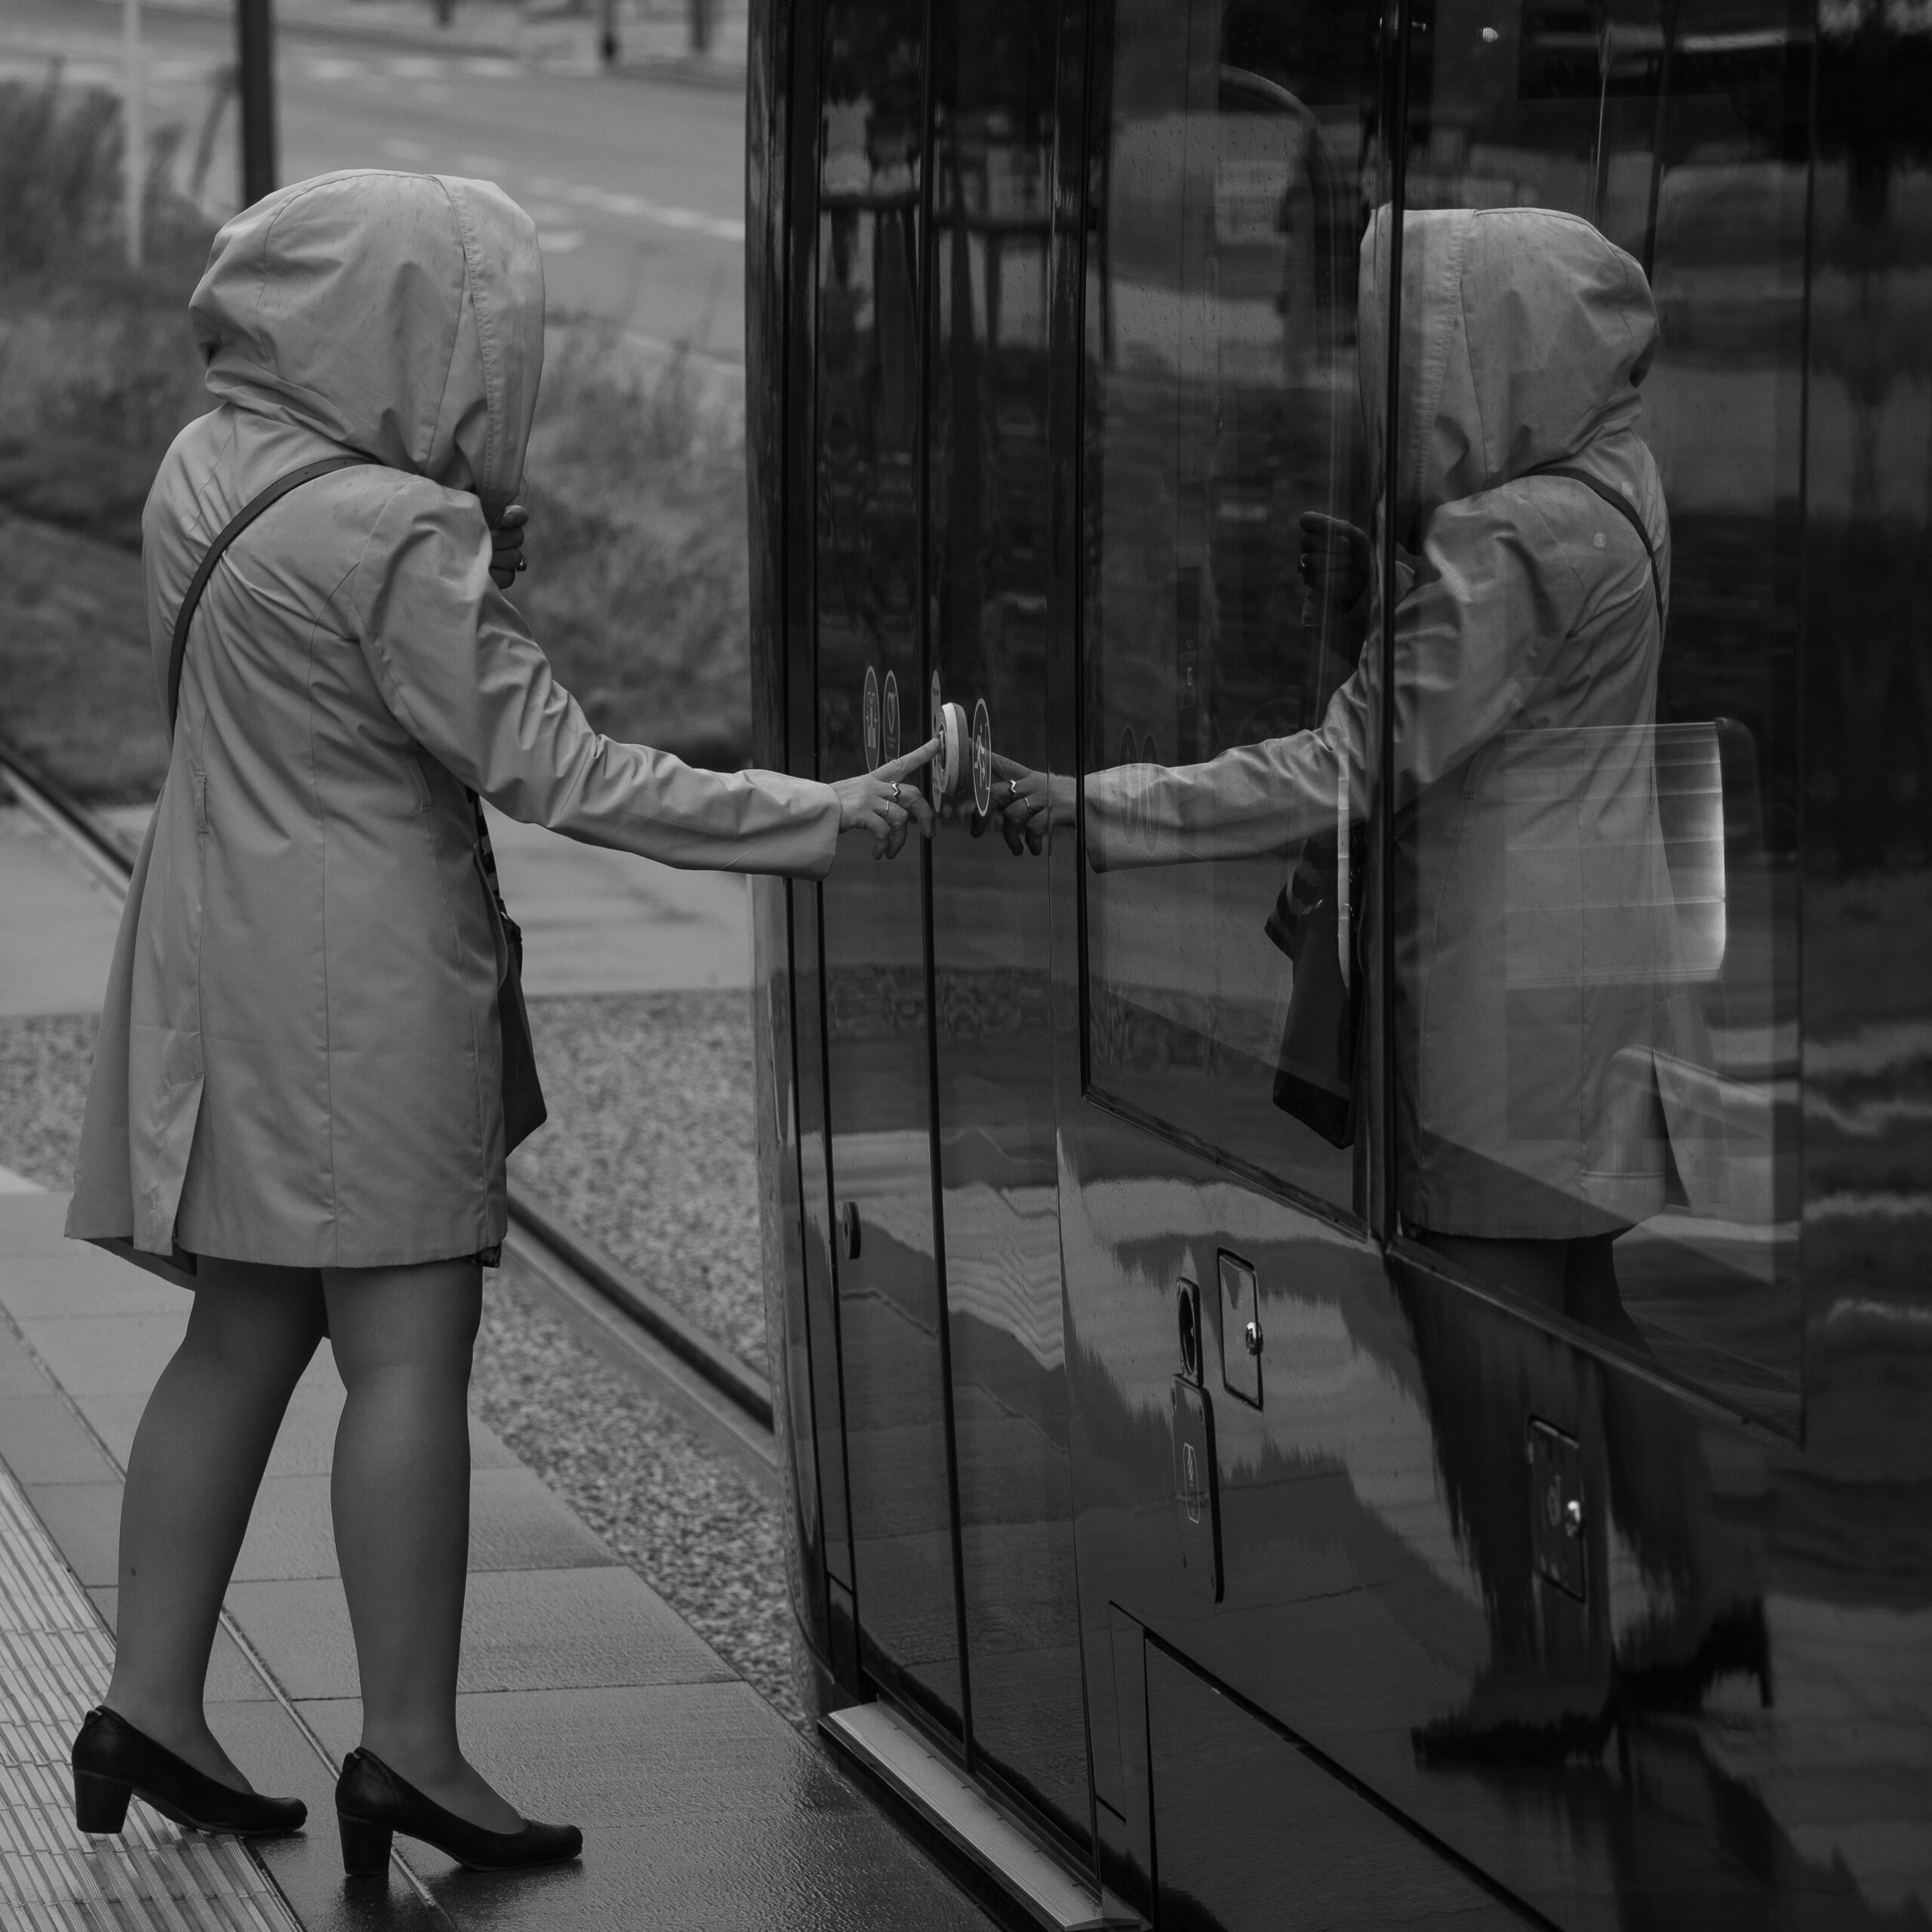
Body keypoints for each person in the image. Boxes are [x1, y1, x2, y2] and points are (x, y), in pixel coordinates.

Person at [63, 169, 934, 1875]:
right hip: (365, 982)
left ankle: (144, 1702)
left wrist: (459, 558)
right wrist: (823, 816)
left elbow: (311, 627)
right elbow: (564, 769)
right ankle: (408, 1750)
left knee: (237, 1338)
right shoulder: (402, 535)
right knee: (406, 1359)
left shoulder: (207, 468)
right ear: (412, 330)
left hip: (215, 953)